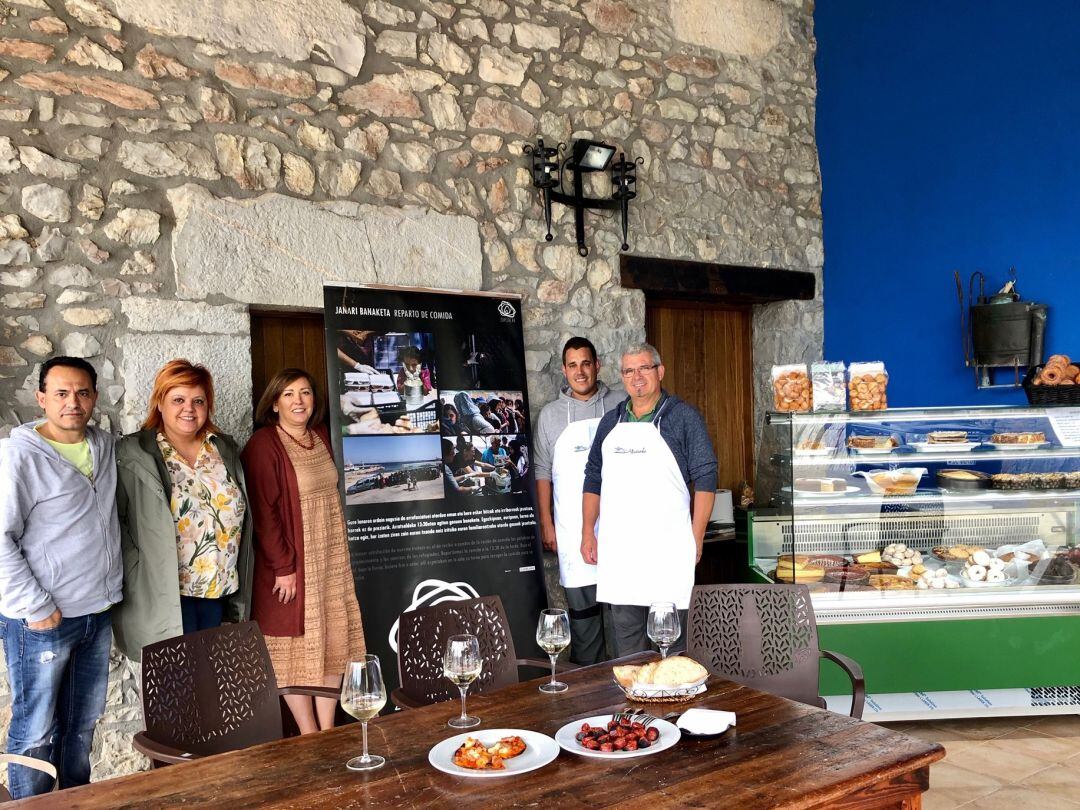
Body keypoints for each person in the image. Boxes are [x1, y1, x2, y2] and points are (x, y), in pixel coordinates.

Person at [0, 356, 122, 798]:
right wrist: (38, 607)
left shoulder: (103, 446)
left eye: (83, 393)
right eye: (62, 393)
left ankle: (74, 802)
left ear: (94, 397)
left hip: (96, 613)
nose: (74, 402)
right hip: (42, 621)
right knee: (35, 730)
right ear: (41, 399)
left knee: (81, 728)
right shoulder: (17, 456)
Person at [241, 369, 366, 735]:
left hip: (330, 557)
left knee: (332, 640)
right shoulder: (264, 444)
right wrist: (284, 567)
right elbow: (265, 514)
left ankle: (329, 730)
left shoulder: (321, 437)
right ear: (275, 403)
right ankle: (308, 733)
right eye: (289, 394)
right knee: (294, 650)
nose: (299, 401)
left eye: (306, 393)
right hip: (294, 562)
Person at [581, 343, 716, 658]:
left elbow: (706, 477)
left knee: (671, 649)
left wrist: (696, 537)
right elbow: (592, 477)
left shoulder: (683, 417)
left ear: (660, 371)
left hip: (667, 553)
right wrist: (588, 531)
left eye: (644, 368)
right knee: (629, 652)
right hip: (621, 555)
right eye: (629, 370)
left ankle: (673, 709)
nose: (636, 377)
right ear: (622, 376)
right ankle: (636, 708)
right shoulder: (610, 422)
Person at [113, 361, 253, 660]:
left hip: (219, 591)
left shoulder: (223, 449)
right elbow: (118, 522)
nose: (189, 408)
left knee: (209, 685)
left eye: (198, 401)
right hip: (167, 593)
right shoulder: (134, 452)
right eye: (178, 399)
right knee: (174, 687)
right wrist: (136, 570)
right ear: (160, 403)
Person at [533, 337, 623, 665]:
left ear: (597, 365)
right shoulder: (550, 416)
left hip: (620, 530)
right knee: (584, 622)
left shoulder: (622, 402)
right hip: (572, 531)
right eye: (573, 365)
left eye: (586, 363)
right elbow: (542, 472)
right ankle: (591, 694)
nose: (580, 371)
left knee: (624, 621)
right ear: (564, 370)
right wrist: (547, 524)